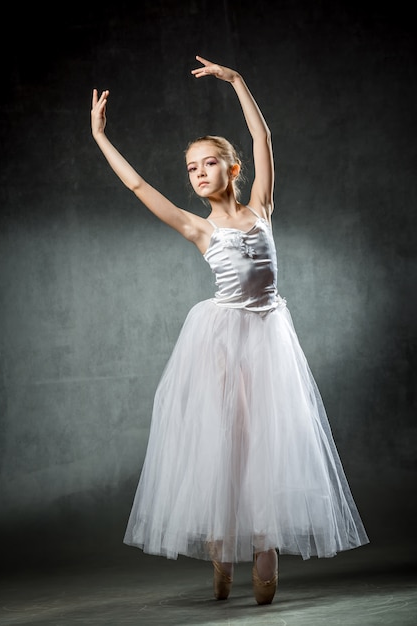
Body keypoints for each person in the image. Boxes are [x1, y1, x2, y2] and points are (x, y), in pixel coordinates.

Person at [91, 55, 369, 605]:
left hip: (270, 334)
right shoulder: (198, 228)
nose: (198, 172)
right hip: (220, 340)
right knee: (227, 440)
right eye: (191, 166)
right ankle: (222, 550)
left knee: (271, 437)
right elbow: (139, 186)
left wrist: (238, 81)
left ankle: (264, 545)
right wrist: (100, 136)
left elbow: (262, 136)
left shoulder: (262, 207)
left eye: (209, 162)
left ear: (232, 170)